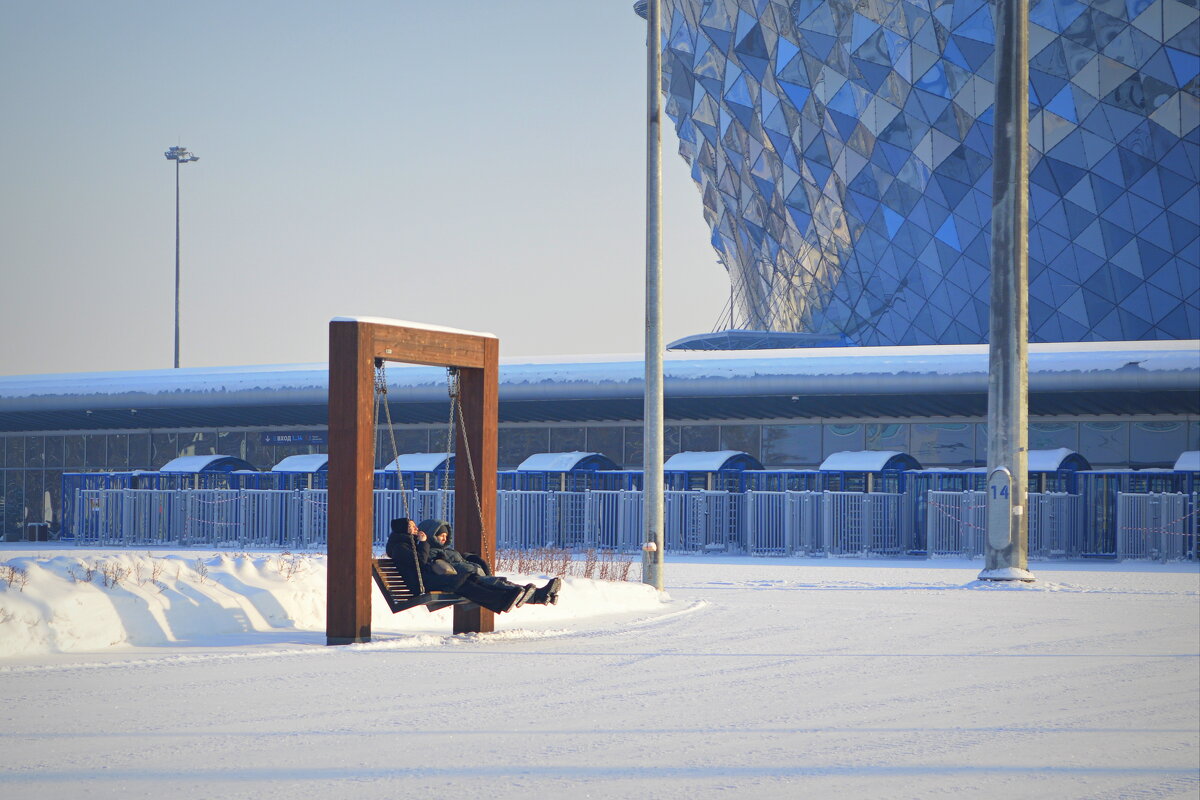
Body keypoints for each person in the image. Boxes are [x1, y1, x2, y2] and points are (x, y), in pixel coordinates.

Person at [385, 518, 561, 613]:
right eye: (412, 527)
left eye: (416, 526)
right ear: (403, 529)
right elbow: (420, 563)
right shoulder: (401, 547)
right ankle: (520, 597)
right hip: (424, 584)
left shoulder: (407, 545)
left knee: (471, 582)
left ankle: (536, 595)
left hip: (434, 579)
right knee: (470, 583)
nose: (416, 529)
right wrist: (423, 542)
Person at [419, 518, 491, 577]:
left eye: (446, 536)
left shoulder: (447, 550)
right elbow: (449, 567)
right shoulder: (431, 552)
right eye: (441, 536)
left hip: (469, 574)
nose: (445, 539)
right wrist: (473, 569)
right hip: (462, 578)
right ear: (433, 536)